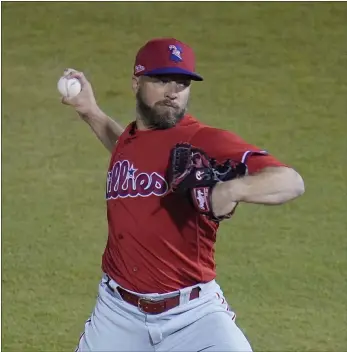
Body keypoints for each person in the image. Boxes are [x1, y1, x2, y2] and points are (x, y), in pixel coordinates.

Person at [62, 38, 305, 352]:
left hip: (193, 315)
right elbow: (127, 149)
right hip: (116, 312)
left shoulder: (203, 140)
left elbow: (291, 181)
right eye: (162, 80)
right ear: (136, 82)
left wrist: (230, 189)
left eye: (182, 82)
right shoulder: (132, 138)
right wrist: (91, 112)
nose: (173, 91)